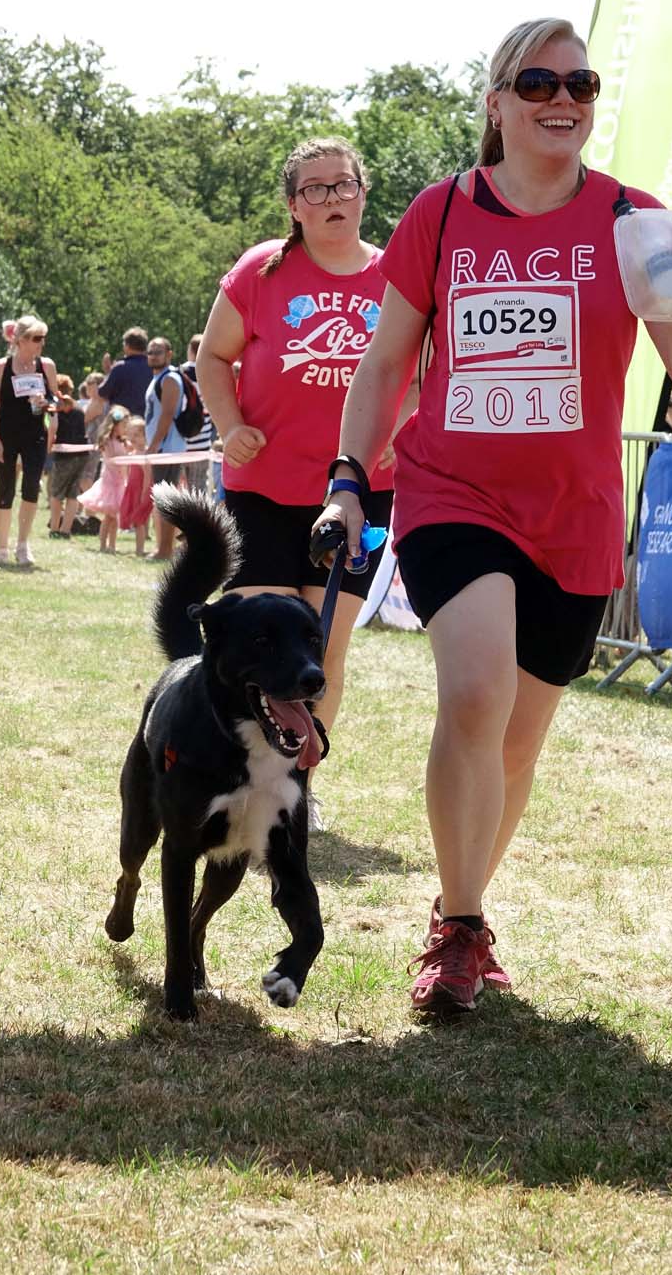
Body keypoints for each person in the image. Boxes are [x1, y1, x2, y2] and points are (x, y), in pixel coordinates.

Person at [311, 18, 672, 1016]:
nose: (562, 99)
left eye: (579, 81)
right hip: (455, 493)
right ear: (496, 102)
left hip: (574, 514)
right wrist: (345, 476)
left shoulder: (635, 219)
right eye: (537, 80)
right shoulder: (443, 214)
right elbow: (383, 369)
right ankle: (460, 936)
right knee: (474, 695)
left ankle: (458, 906)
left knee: (514, 746)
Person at [196, 136, 412, 833]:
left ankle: (297, 784)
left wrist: (396, 442)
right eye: (315, 189)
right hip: (260, 489)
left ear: (363, 193)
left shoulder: (396, 277)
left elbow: (418, 379)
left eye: (344, 185)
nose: (332, 199)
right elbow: (212, 357)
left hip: (357, 494)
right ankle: (240, 772)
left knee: (321, 649)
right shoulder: (262, 269)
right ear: (294, 204)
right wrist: (230, 426)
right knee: (261, 645)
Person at [0, 315, 58, 567]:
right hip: (6, 435)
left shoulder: (46, 365)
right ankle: (2, 548)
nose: (41, 343)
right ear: (21, 340)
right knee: (5, 490)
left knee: (30, 489)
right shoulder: (0, 366)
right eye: (37, 338)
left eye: (43, 338)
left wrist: (48, 405)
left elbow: (56, 400)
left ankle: (23, 545)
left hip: (35, 435)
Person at [143, 337, 187, 560]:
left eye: (157, 351)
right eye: (150, 352)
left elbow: (167, 415)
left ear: (169, 353)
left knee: (166, 500)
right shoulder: (157, 378)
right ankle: (163, 547)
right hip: (161, 449)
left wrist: (153, 445)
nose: (152, 355)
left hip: (167, 450)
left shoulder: (169, 379)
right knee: (161, 500)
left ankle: (165, 550)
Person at [77, 406, 130, 552]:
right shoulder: (108, 442)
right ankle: (102, 545)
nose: (125, 428)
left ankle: (112, 545)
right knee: (108, 518)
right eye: (123, 425)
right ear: (114, 425)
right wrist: (126, 458)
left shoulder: (121, 442)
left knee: (113, 519)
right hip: (110, 482)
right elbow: (113, 459)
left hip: (118, 482)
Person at [48, 376, 90, 539]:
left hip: (64, 455)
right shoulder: (79, 408)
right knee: (73, 494)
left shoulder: (56, 407)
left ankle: (54, 529)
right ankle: (66, 530)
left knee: (56, 493)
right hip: (81, 455)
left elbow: (53, 428)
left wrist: (49, 446)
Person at [181, 333, 215, 494]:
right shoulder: (213, 372)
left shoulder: (182, 372)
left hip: (182, 441)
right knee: (198, 489)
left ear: (191, 350)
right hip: (203, 440)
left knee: (179, 491)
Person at [118, 414, 153, 555]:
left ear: (145, 436)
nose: (133, 438)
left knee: (139, 522)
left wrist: (144, 493)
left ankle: (140, 549)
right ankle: (139, 548)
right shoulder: (133, 452)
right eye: (130, 434)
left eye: (137, 435)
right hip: (132, 489)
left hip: (141, 491)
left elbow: (147, 476)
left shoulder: (144, 454)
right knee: (135, 520)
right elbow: (126, 470)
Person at [98, 327, 151, 417]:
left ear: (127, 346)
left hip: (123, 421)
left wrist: (108, 373)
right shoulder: (154, 367)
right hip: (148, 421)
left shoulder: (120, 367)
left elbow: (102, 392)